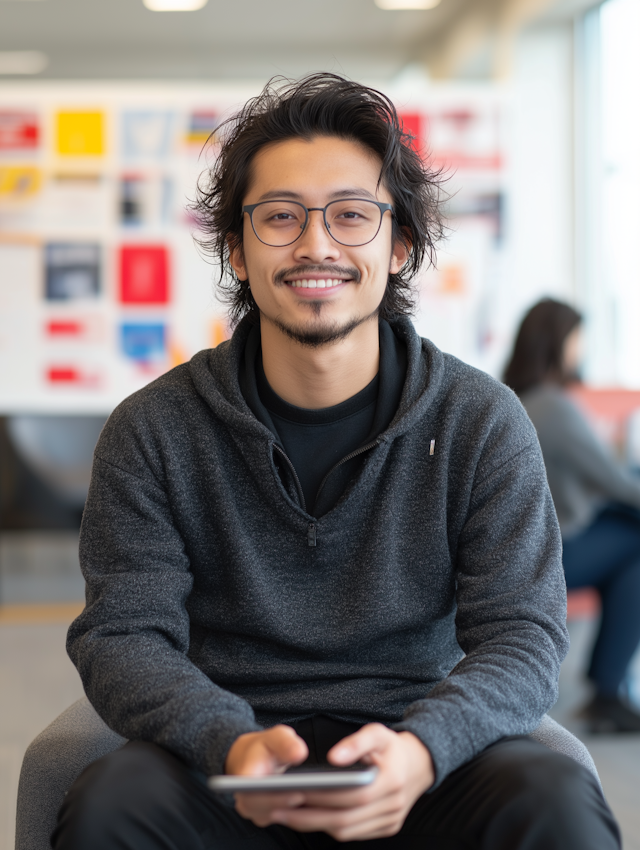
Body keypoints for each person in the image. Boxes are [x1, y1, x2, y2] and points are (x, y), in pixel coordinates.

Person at [52, 76, 619, 850]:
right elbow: (122, 635)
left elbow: (523, 633)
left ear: (400, 247)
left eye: (352, 216)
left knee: (553, 797)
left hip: (420, 751)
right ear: (237, 252)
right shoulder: (154, 429)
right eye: (280, 217)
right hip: (233, 759)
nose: (316, 244)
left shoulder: (481, 420)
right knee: (112, 803)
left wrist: (422, 751)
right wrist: (231, 742)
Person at [504, 298, 640, 733]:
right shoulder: (554, 408)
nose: (581, 349)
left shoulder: (515, 398)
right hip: (548, 552)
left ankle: (607, 691)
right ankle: (606, 691)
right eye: (577, 339)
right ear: (559, 343)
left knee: (632, 551)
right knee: (636, 544)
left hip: (524, 546)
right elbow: (616, 483)